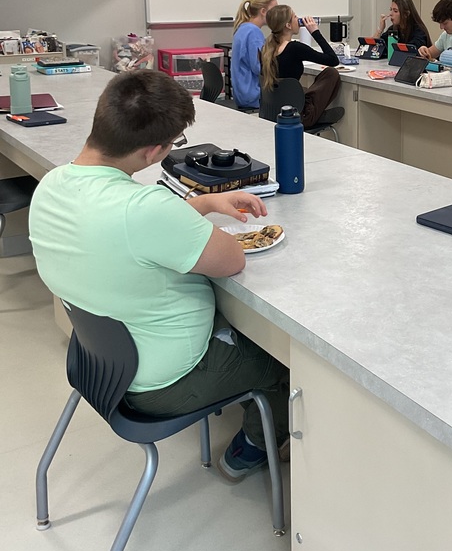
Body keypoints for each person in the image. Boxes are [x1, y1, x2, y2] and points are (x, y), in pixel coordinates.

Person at [28, 70, 289, 482]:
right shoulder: (144, 208)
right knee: (281, 360)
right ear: (154, 152)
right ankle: (253, 448)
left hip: (99, 366)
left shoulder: (53, 185)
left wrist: (204, 203)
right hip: (163, 384)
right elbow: (230, 259)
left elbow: (133, 232)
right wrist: (199, 218)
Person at [260, 5, 343, 129]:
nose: (298, 18)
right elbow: (332, 60)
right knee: (331, 73)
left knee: (304, 89)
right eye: (294, 16)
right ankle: (316, 115)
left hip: (273, 113)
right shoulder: (294, 48)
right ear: (288, 25)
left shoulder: (267, 50)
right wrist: (315, 32)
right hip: (297, 116)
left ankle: (317, 114)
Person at [230, 0, 277, 111]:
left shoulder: (242, 28)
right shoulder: (254, 32)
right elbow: (259, 67)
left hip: (241, 93)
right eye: (274, 10)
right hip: (252, 95)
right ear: (263, 11)